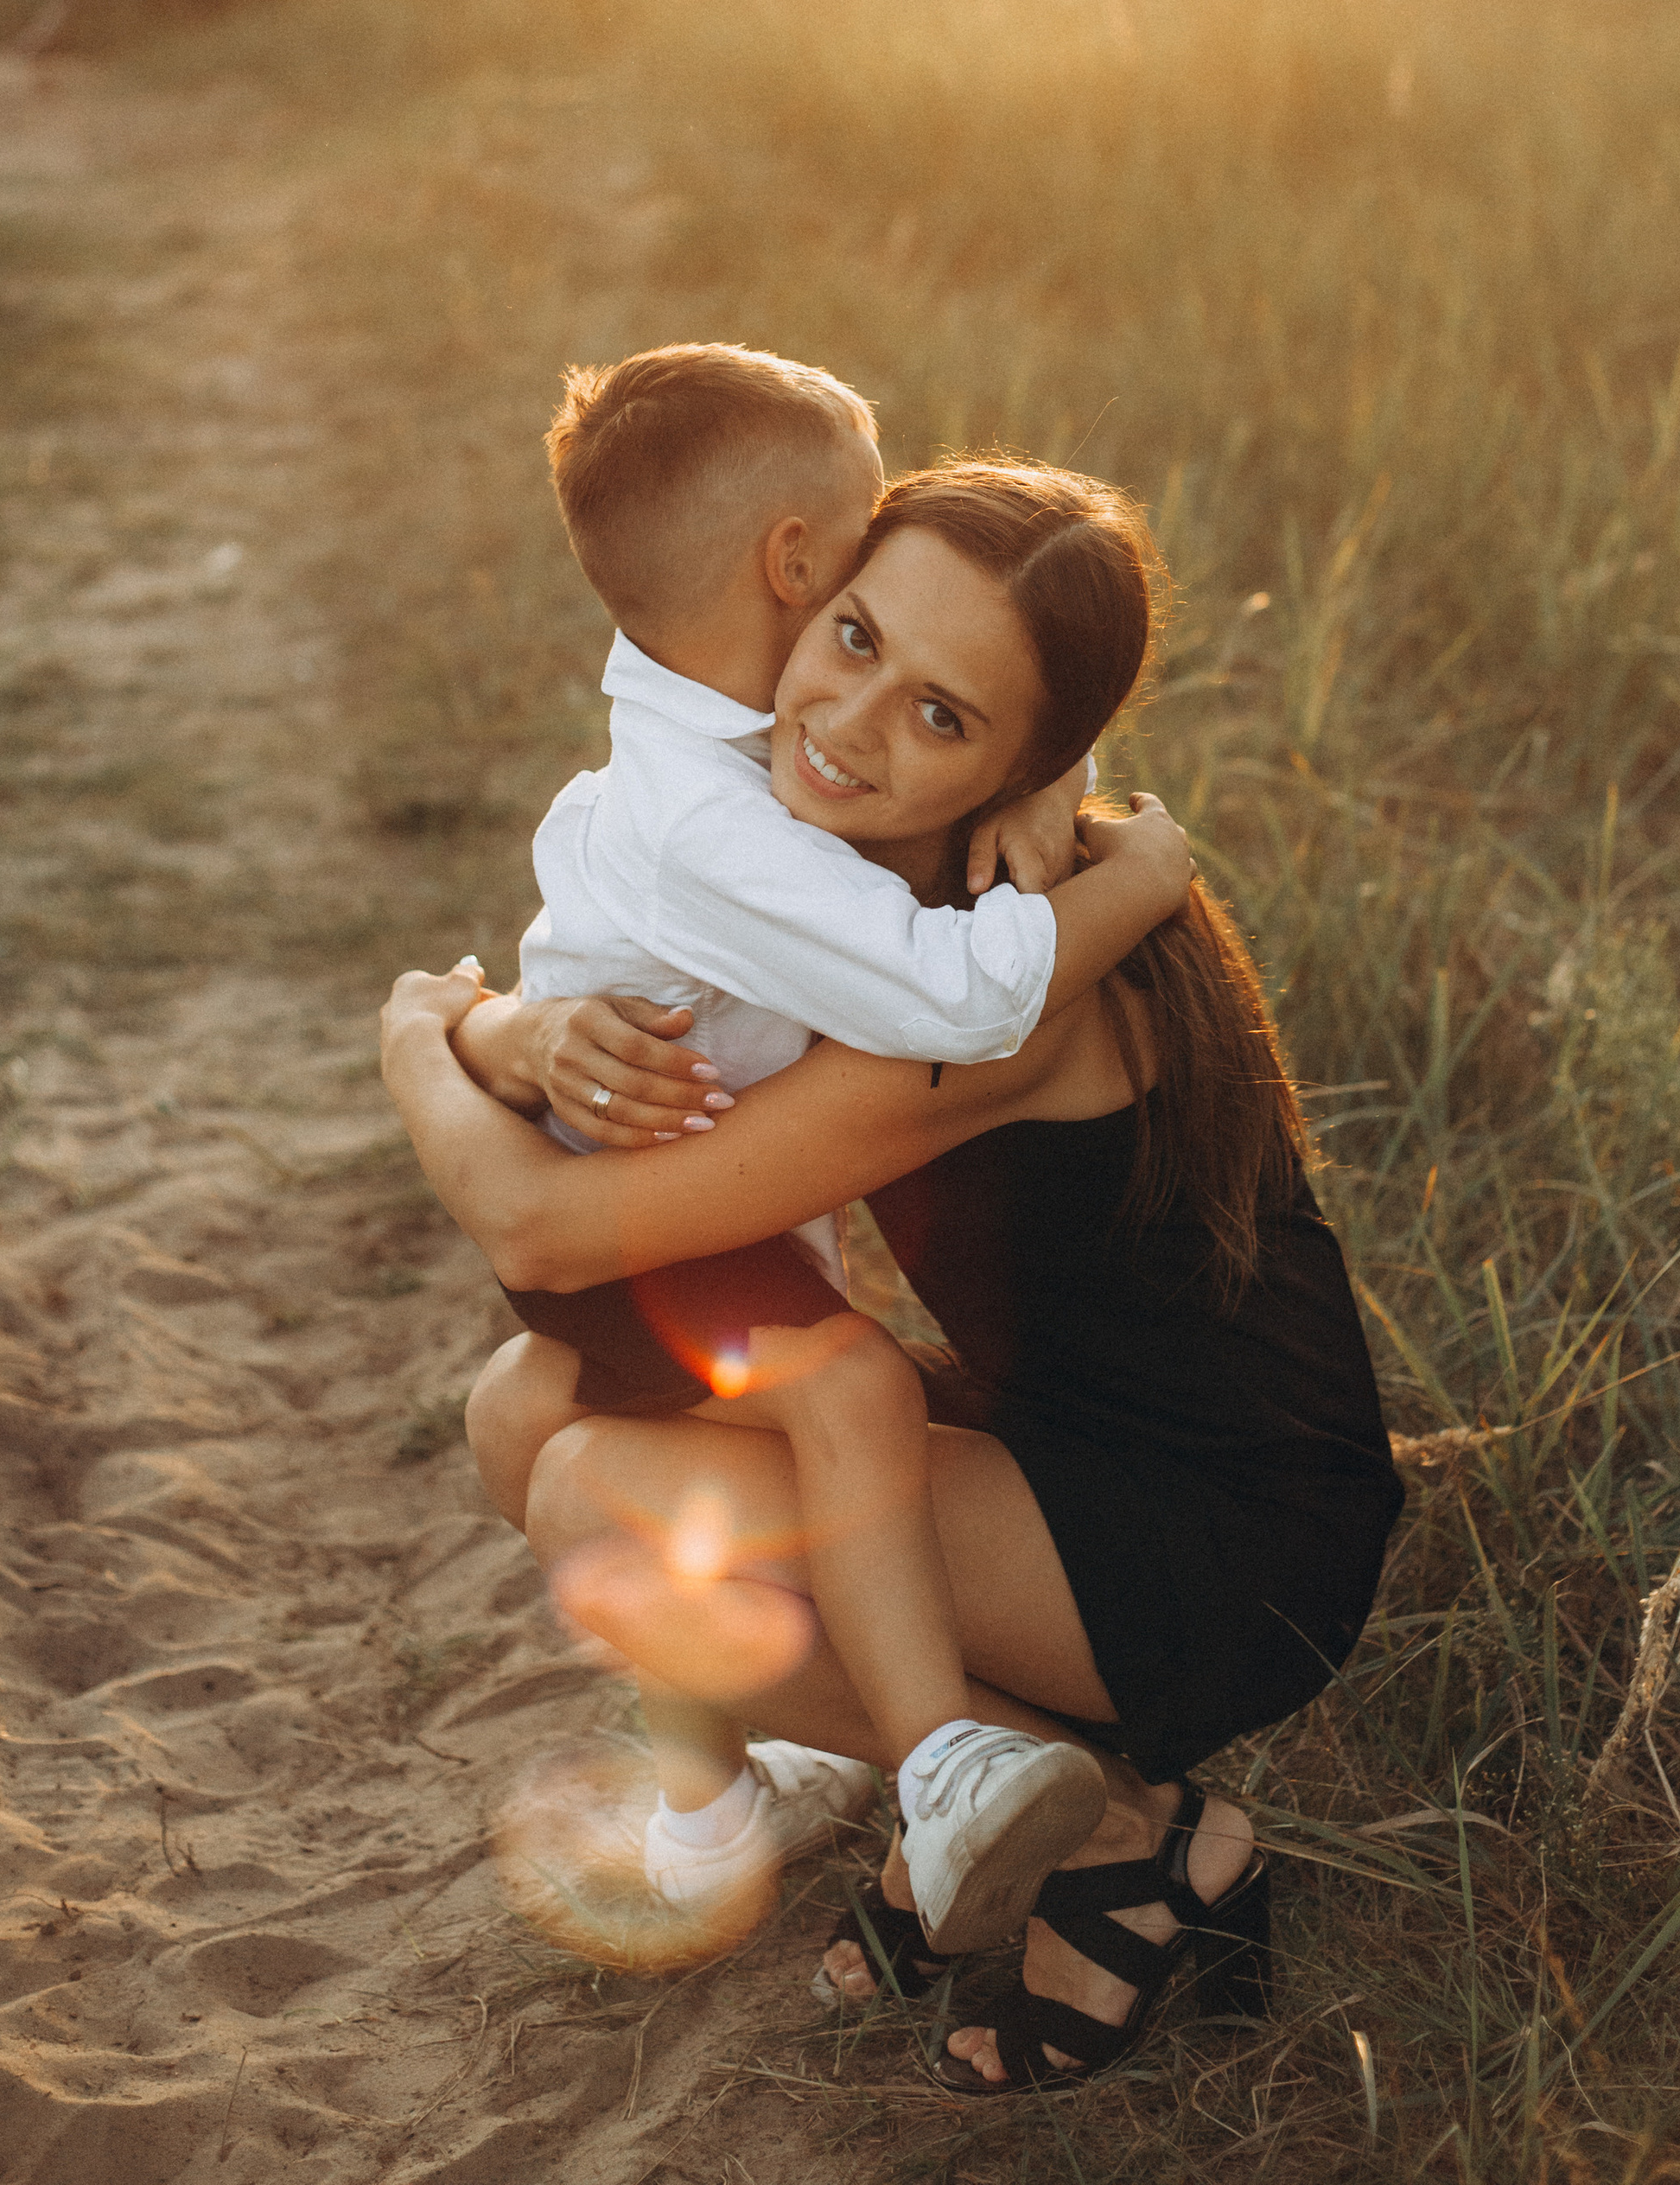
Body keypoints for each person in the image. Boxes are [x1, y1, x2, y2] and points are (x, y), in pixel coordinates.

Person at [384, 457, 1406, 2093]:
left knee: (594, 1493)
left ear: (1032, 763)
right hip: (1059, 1445)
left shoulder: (996, 986)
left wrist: (418, 1044)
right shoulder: (861, 894)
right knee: (530, 1409)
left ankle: (1136, 1837)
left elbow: (549, 1235)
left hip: (1220, 1529)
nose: (852, 726)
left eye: (943, 717)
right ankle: (958, 1770)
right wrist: (522, 1029)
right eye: (854, 638)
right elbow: (616, 1028)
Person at [450, 347, 1199, 1946]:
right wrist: (1151, 866)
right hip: (630, 1213)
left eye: (933, 701)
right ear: (795, 565)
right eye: (855, 587)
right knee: (839, 1395)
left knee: (613, 1428)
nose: (868, 687)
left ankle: (717, 1811)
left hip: (647, 1197)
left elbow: (971, 682)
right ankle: (943, 1767)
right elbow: (962, 991)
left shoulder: (700, 729)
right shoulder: (715, 821)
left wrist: (1055, 762)